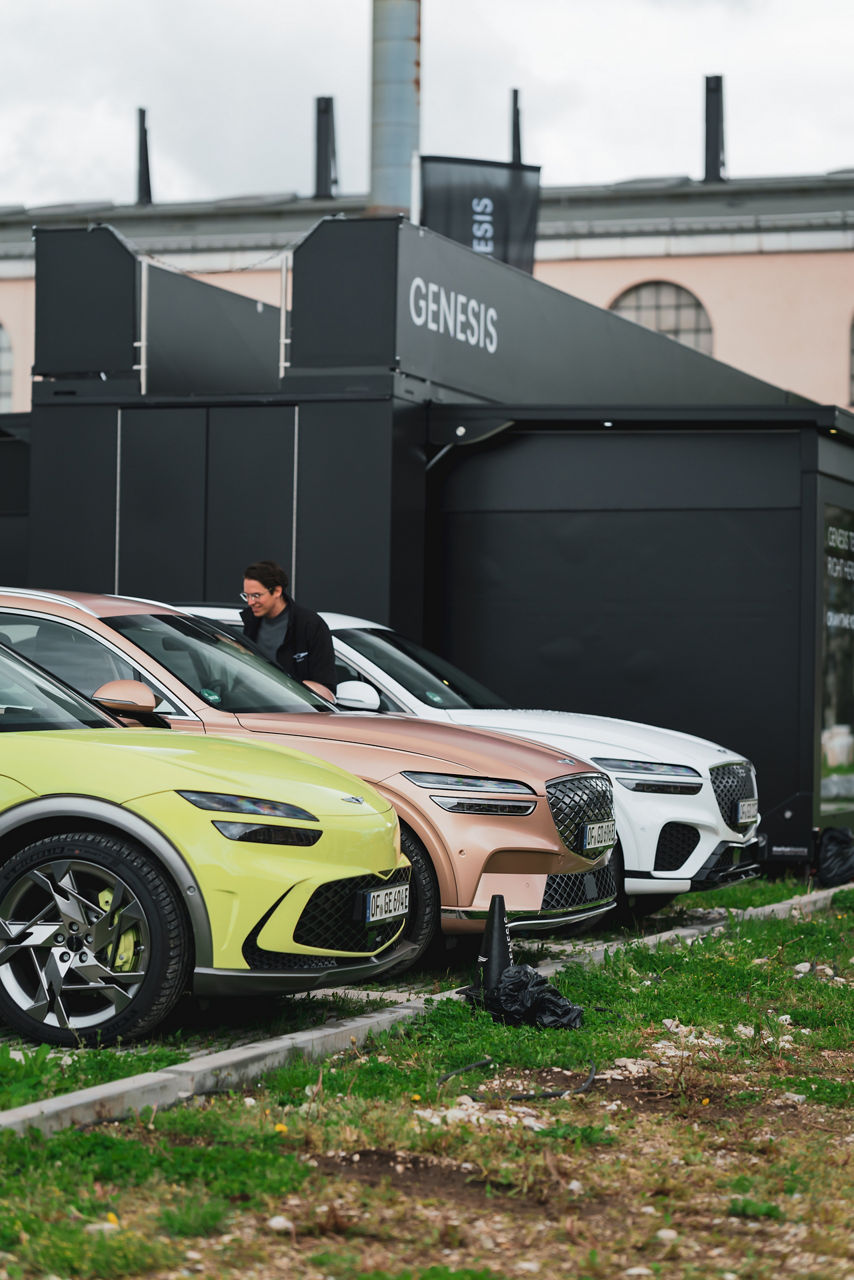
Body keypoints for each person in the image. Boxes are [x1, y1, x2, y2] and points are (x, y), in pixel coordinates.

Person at [240, 560, 336, 703]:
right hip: (252, 709)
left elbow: (325, 689)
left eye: (256, 595)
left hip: (296, 714)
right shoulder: (249, 624)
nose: (250, 602)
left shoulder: (310, 625)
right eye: (246, 595)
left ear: (277, 591)